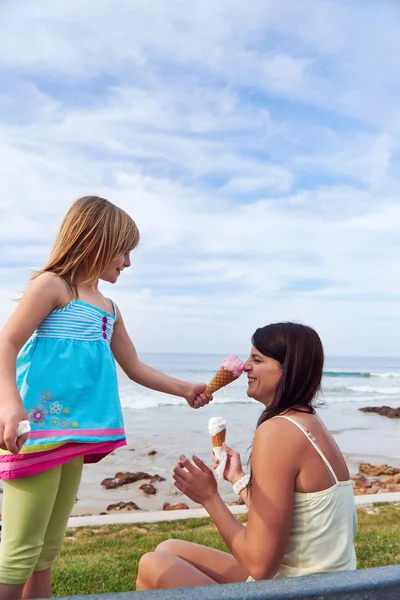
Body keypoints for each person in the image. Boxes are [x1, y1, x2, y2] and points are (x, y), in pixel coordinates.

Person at [0, 196, 211, 600]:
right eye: (124, 249)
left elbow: (135, 367)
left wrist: (186, 389)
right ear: (97, 240)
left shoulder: (109, 308)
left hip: (76, 435)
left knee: (46, 551)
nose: (128, 262)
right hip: (38, 432)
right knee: (18, 553)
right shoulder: (53, 286)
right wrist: (9, 403)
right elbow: (6, 343)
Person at [136, 322, 358, 590]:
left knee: (153, 565)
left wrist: (209, 497)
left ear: (287, 369)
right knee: (168, 548)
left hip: (300, 591)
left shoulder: (277, 431)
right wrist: (239, 479)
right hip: (324, 584)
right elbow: (285, 517)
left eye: (257, 359)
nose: (244, 367)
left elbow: (260, 565)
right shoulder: (308, 422)